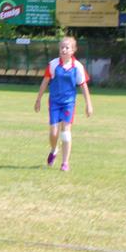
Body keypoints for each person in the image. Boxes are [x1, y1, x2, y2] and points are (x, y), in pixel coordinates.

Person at [34, 36, 93, 172]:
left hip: (68, 104)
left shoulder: (77, 66)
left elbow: (83, 85)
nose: (64, 50)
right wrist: (38, 99)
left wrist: (88, 104)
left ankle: (65, 163)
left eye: (67, 47)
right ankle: (54, 149)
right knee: (53, 132)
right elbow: (45, 82)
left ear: (73, 50)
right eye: (62, 47)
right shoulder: (53, 64)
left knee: (65, 132)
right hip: (54, 103)